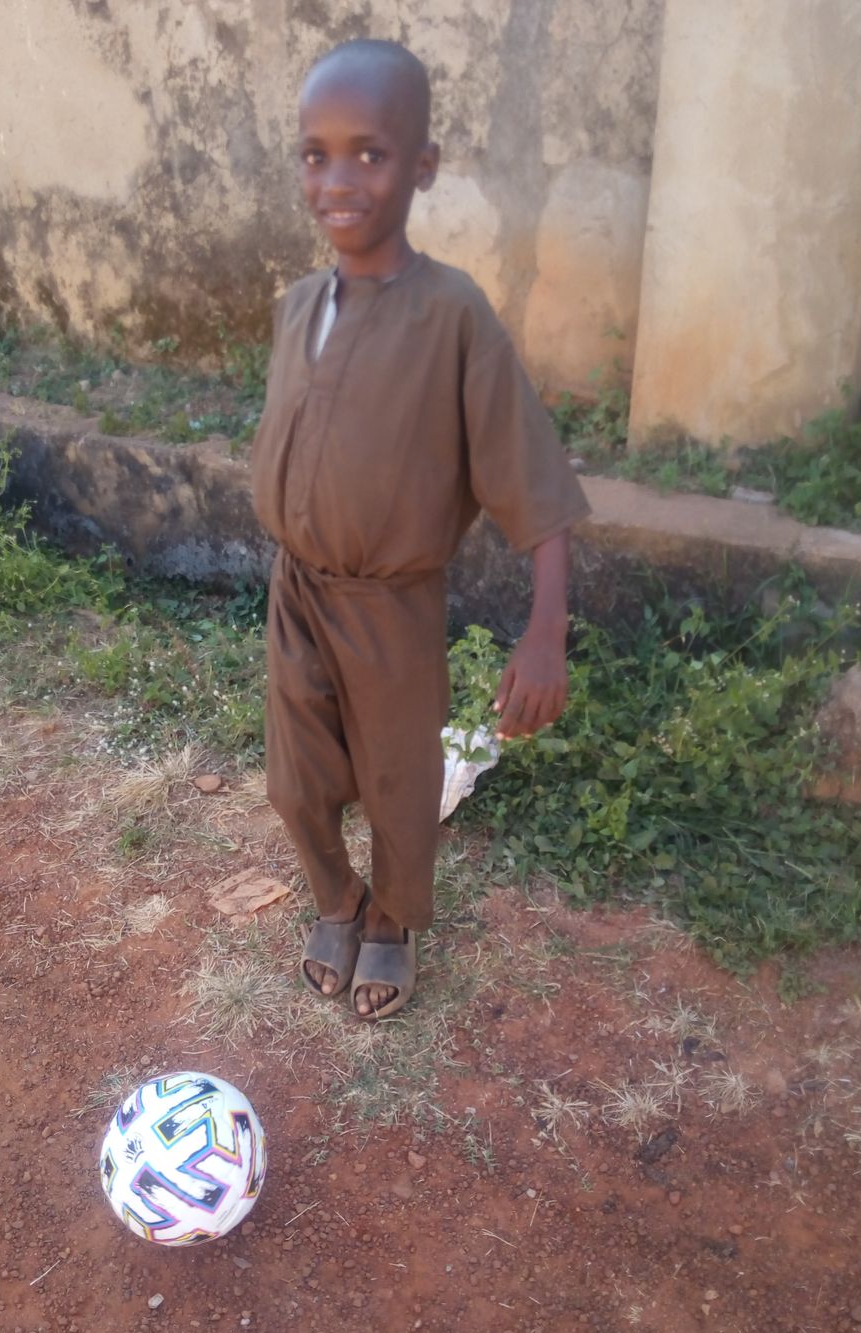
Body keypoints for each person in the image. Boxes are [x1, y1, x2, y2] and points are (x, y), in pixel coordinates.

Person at [251, 38, 589, 1019]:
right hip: (296, 588)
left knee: (399, 782)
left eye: (371, 153)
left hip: (391, 603)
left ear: (423, 166)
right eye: (316, 154)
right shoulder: (298, 307)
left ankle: (393, 922)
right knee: (294, 780)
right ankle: (338, 898)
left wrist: (546, 630)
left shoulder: (452, 316)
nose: (339, 180)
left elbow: (529, 472)